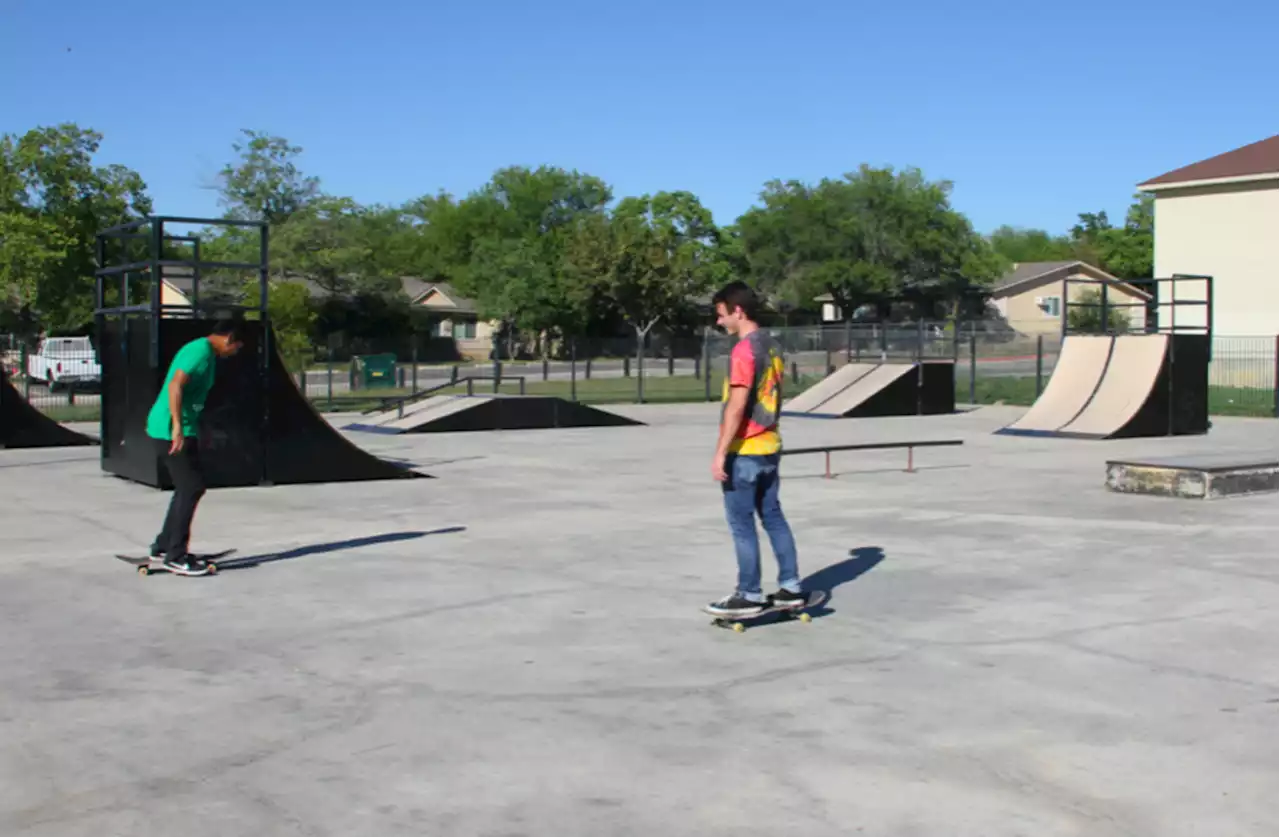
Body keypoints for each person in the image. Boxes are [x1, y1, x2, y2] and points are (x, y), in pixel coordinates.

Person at [706, 281, 803, 617]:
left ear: (738, 311)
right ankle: (791, 587)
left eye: (721, 315)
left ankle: (749, 592)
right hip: (770, 446)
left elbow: (737, 405)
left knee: (742, 524)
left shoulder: (744, 350)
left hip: (744, 450)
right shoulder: (772, 346)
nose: (719, 323)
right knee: (773, 517)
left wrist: (721, 451)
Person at [143, 318, 243, 575]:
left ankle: (164, 546)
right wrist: (177, 426)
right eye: (237, 347)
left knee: (186, 487)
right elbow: (176, 385)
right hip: (170, 431)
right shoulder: (200, 352)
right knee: (192, 487)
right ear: (229, 339)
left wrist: (199, 429)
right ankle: (175, 555)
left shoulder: (204, 352)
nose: (235, 353)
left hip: (177, 428)